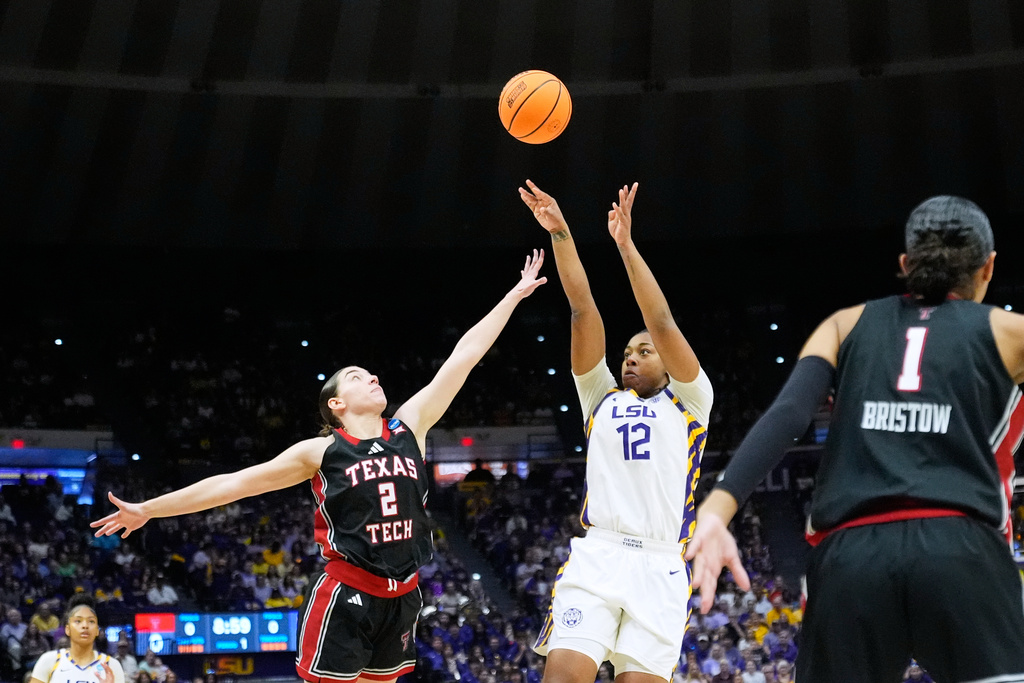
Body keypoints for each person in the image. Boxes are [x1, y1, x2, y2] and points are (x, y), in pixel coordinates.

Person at [91, 252, 547, 683]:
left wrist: (514, 295)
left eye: (372, 373)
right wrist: (149, 509)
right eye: (356, 376)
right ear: (337, 404)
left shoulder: (410, 427)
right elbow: (233, 485)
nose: (372, 377)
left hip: (404, 594)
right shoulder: (320, 451)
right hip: (346, 595)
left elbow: (462, 357)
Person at [687, 196, 1024, 682]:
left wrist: (717, 511)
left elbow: (789, 414)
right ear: (989, 268)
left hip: (851, 557)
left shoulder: (845, 323)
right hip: (962, 549)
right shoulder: (1008, 330)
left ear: (906, 264)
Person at [520, 180, 713, 683]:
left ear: (668, 364)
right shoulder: (599, 398)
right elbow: (583, 307)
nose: (630, 356)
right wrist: (562, 234)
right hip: (599, 555)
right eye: (626, 352)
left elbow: (662, 319)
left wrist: (626, 246)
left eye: (643, 351)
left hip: (661, 567)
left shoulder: (691, 402)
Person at [29, 595, 124, 683]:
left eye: (90, 621)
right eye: (78, 621)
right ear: (67, 629)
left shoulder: (112, 665)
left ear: (97, 630)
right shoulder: (48, 660)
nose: (84, 626)